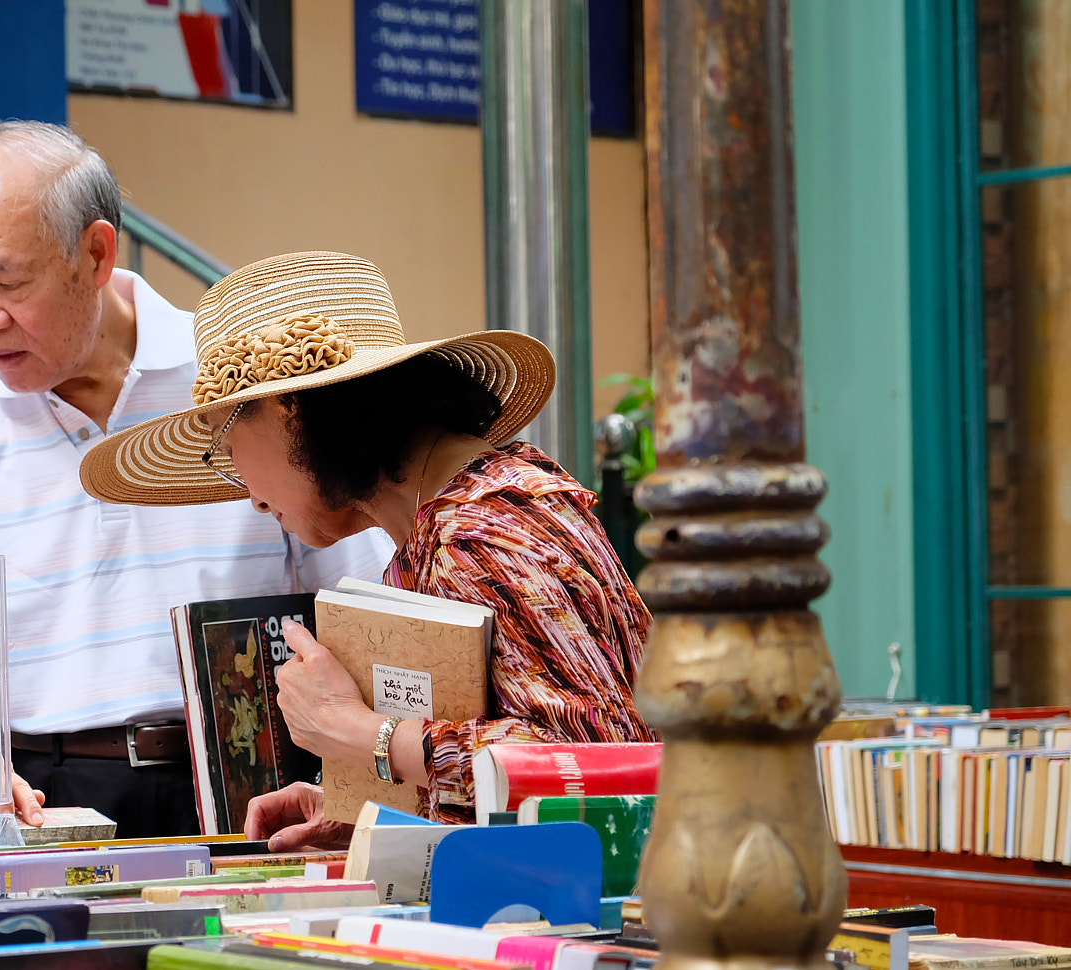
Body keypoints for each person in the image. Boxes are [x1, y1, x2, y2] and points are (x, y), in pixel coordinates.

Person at [0, 128, 394, 838]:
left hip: (253, 789)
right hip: (42, 798)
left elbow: (365, 605)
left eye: (10, 283)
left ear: (97, 253)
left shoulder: (239, 386)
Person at [79, 251, 653, 847]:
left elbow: (584, 768)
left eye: (224, 445)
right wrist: (360, 809)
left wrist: (356, 733)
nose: (245, 492)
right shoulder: (453, 520)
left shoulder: (480, 529)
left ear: (287, 411)